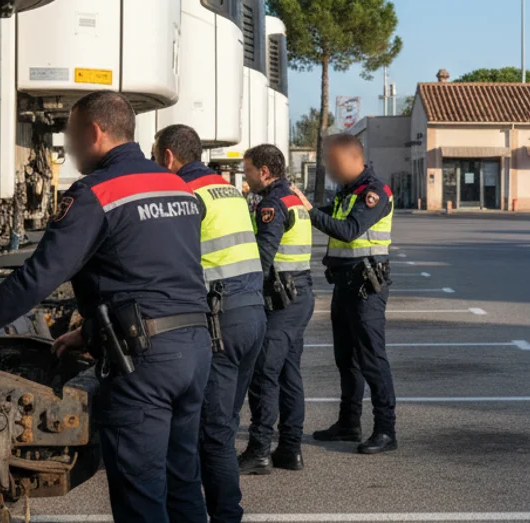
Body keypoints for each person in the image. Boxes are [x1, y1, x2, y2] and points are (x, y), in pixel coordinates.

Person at [0, 91, 212, 523]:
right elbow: (154, 274)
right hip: (195, 348)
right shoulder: (177, 187)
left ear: (94, 132)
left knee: (142, 495)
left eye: (70, 135)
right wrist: (88, 333)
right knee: (182, 483)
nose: (67, 148)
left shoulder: (96, 193)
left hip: (145, 363)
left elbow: (37, 278)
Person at [153, 125, 266, 523]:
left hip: (223, 319)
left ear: (168, 156)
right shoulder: (227, 188)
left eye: (155, 155)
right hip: (252, 312)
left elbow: (171, 259)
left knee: (213, 434)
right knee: (223, 425)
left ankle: (225, 516)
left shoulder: (185, 193)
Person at [289, 134, 397, 455]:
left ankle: (386, 429)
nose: (328, 168)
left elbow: (348, 230)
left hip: (367, 287)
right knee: (345, 360)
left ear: (353, 158)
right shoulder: (348, 192)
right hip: (345, 285)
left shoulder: (375, 192)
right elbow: (328, 216)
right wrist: (298, 206)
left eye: (332, 162)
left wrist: (309, 210)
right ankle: (349, 423)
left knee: (372, 359)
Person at [238, 144, 315, 474]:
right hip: (300, 294)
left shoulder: (271, 204)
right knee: (288, 374)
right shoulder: (293, 198)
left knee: (264, 375)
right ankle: (290, 449)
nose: (246, 177)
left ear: (264, 172)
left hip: (281, 299)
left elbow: (263, 258)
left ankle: (259, 451)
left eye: (248, 171)